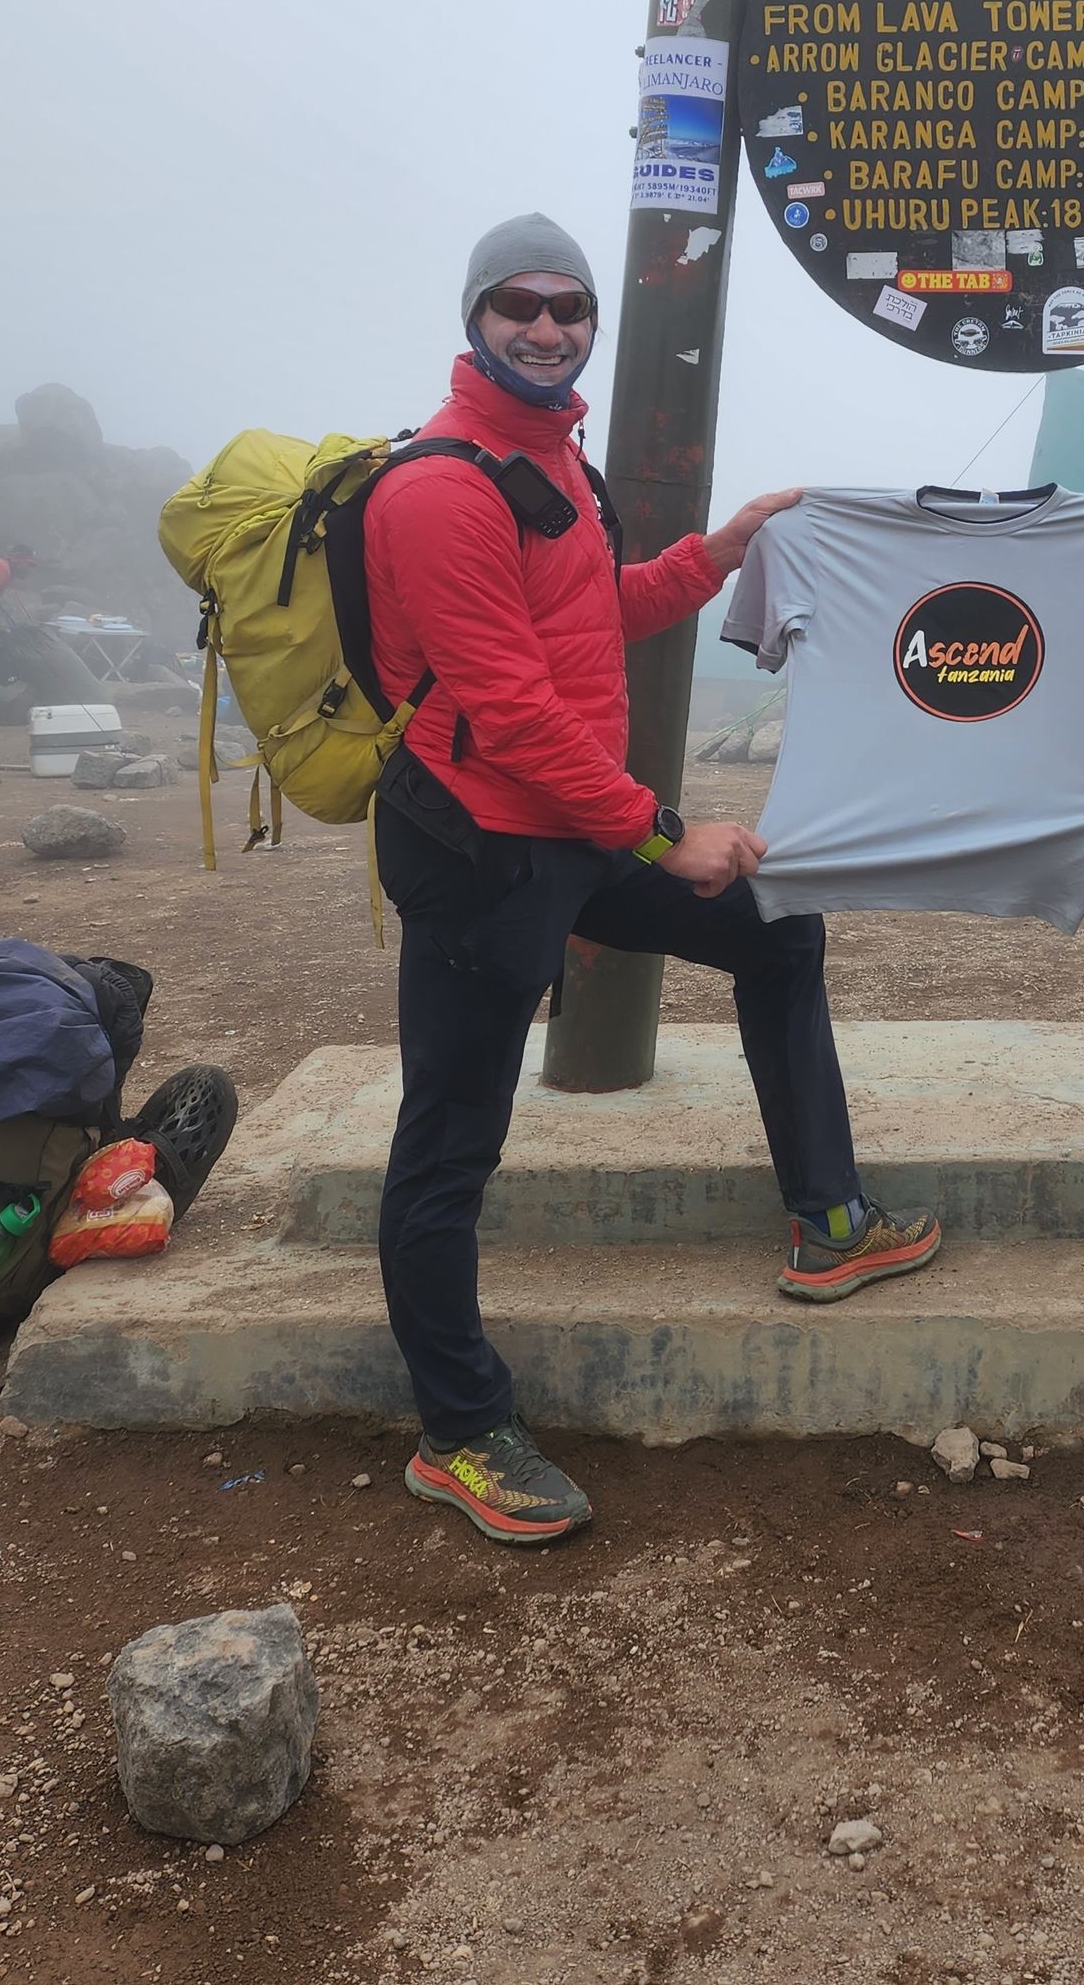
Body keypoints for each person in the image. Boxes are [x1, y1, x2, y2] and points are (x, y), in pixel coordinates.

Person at [364, 214, 940, 1547]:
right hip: (480, 853)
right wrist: (661, 832)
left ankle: (829, 1221)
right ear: (476, 316)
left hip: (567, 833)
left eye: (570, 308)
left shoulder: (556, 457)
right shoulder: (438, 489)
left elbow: (585, 615)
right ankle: (458, 1431)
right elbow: (506, 707)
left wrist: (719, 551)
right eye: (520, 303)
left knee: (776, 931)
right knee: (451, 1142)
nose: (549, 326)